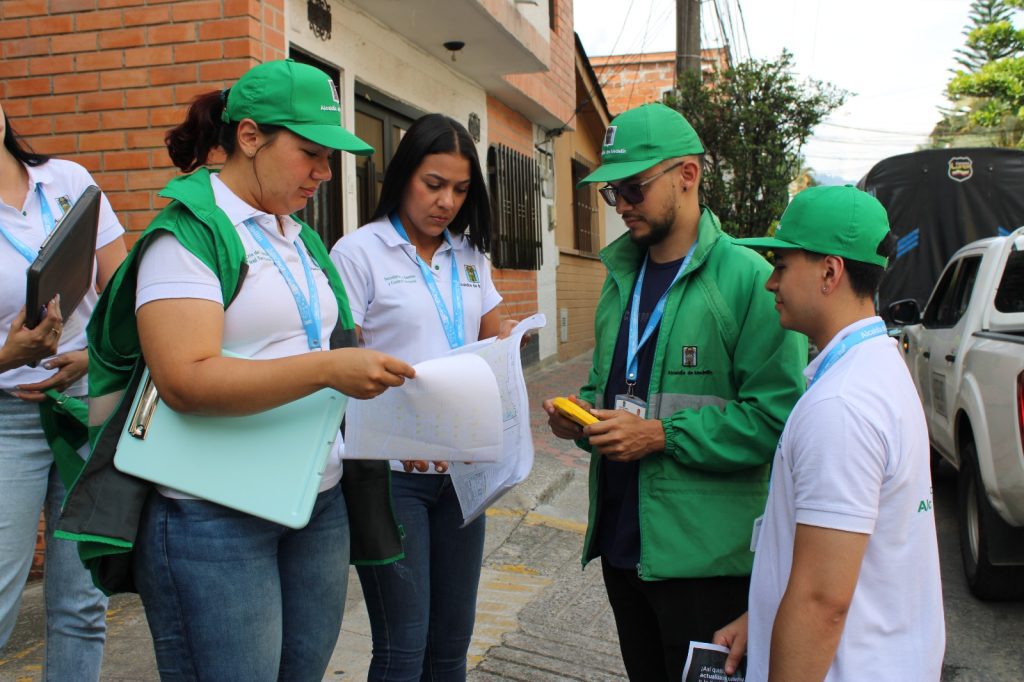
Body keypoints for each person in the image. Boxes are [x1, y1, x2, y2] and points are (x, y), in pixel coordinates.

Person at [57, 60, 417, 680]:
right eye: (310, 153)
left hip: (313, 498)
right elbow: (186, 381)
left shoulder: (295, 236)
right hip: (213, 513)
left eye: (329, 158)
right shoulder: (186, 238)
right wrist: (329, 368)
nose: (324, 173)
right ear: (249, 137)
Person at [541, 102, 807, 681]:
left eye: (634, 188)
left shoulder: (750, 282)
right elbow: (610, 388)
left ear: (687, 175)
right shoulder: (620, 279)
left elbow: (775, 420)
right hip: (622, 546)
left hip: (706, 563)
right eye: (612, 193)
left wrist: (660, 435)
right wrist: (583, 418)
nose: (622, 205)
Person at [714, 185, 945, 680]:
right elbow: (846, 556)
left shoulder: (841, 406)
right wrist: (764, 618)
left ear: (829, 271)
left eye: (781, 265)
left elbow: (823, 601)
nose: (770, 283)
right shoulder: (875, 368)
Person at [330, 113, 511, 681]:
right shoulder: (358, 253)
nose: (447, 202)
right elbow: (341, 365)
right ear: (404, 174)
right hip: (392, 474)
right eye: (434, 184)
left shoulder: (470, 256)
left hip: (461, 472)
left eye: (460, 189)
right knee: (404, 645)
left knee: (452, 641)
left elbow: (496, 346)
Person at [0, 101, 127, 679]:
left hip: (89, 399)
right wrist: (7, 356)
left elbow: (120, 292)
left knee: (82, 600)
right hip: (8, 413)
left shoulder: (68, 181)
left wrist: (90, 356)